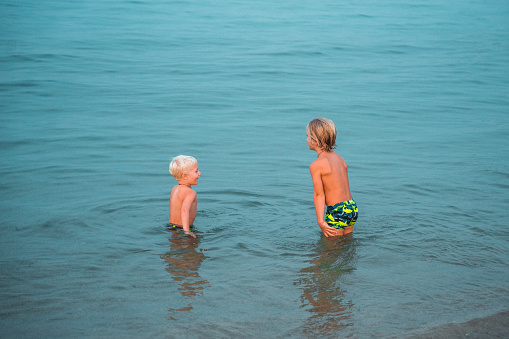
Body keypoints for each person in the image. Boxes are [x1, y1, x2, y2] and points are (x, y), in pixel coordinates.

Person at [307, 118, 358, 237]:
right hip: (351, 207)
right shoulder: (339, 158)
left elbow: (319, 194)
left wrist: (320, 221)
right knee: (346, 245)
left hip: (337, 211)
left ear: (314, 140)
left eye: (308, 136)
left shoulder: (316, 165)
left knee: (332, 252)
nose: (307, 139)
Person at [168, 155, 201, 238]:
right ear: (184, 176)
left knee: (174, 247)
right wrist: (187, 231)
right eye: (196, 171)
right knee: (192, 248)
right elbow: (184, 210)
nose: (199, 173)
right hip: (183, 228)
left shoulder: (174, 189)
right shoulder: (190, 192)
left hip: (171, 227)